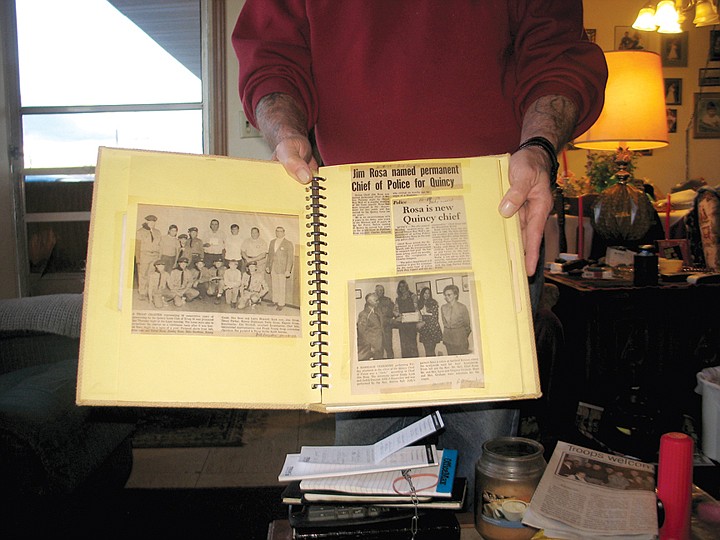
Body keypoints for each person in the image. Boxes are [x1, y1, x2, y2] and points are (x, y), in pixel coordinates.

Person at [233, 0, 607, 508]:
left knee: (482, 466)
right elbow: (273, 56)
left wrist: (539, 145)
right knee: (367, 477)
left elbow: (556, 51)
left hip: (492, 221)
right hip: (358, 231)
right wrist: (287, 132)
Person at [265, 226, 294, 311]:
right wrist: (267, 266)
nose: (278, 233)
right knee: (274, 285)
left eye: (280, 231)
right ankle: (275, 301)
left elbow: (290, 258)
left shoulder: (288, 243)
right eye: (277, 231)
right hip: (273, 267)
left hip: (282, 268)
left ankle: (281, 303)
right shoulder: (272, 242)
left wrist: (288, 270)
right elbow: (269, 255)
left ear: (284, 232)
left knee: (281, 286)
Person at [441, 284, 472, 355]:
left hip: (460, 339)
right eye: (445, 295)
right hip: (448, 339)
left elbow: (467, 324)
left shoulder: (462, 307)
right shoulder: (443, 307)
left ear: (455, 295)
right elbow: (444, 322)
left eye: (449, 295)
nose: (446, 297)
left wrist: (462, 335)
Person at [135, 214, 161, 301]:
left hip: (155, 256)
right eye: (150, 222)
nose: (152, 223)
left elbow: (159, 245)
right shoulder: (140, 231)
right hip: (144, 255)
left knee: (151, 275)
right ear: (146, 221)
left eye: (154, 222)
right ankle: (142, 292)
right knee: (143, 274)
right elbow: (137, 246)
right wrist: (138, 258)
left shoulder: (158, 232)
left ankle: (150, 291)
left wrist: (159, 257)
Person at [393, 279, 419, 358]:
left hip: (411, 325)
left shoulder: (413, 296)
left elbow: (416, 309)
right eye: (400, 287)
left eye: (403, 286)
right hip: (403, 325)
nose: (402, 288)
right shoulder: (398, 299)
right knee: (404, 346)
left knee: (413, 345)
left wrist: (417, 321)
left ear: (406, 287)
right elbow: (395, 310)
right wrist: (399, 315)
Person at [357, 292, 384, 360]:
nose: (378, 302)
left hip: (380, 344)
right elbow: (362, 332)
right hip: (371, 347)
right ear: (369, 302)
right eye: (376, 300)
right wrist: (369, 347)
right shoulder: (363, 314)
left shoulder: (378, 312)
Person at [417, 286, 442, 357]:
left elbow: (434, 318)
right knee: (427, 351)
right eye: (425, 293)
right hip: (424, 330)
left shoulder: (433, 303)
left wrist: (424, 322)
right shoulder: (420, 304)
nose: (427, 295)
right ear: (422, 294)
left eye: (428, 293)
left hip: (432, 329)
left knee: (431, 351)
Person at [374, 284, 395, 359]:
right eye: (378, 290)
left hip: (386, 328)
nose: (380, 292)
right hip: (376, 330)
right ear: (375, 291)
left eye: (382, 290)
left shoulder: (388, 300)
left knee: (389, 348)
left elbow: (393, 312)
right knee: (379, 350)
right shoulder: (372, 301)